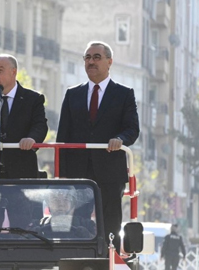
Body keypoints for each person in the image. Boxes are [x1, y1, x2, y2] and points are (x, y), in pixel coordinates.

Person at [57, 41, 140, 251]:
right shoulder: (72, 94)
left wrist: (119, 139)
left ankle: (109, 261)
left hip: (110, 170)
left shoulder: (124, 94)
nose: (91, 62)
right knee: (78, 221)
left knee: (110, 221)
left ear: (109, 62)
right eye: (87, 58)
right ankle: (80, 260)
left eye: (96, 57)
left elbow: (132, 129)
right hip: (79, 172)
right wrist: (63, 174)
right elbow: (63, 136)